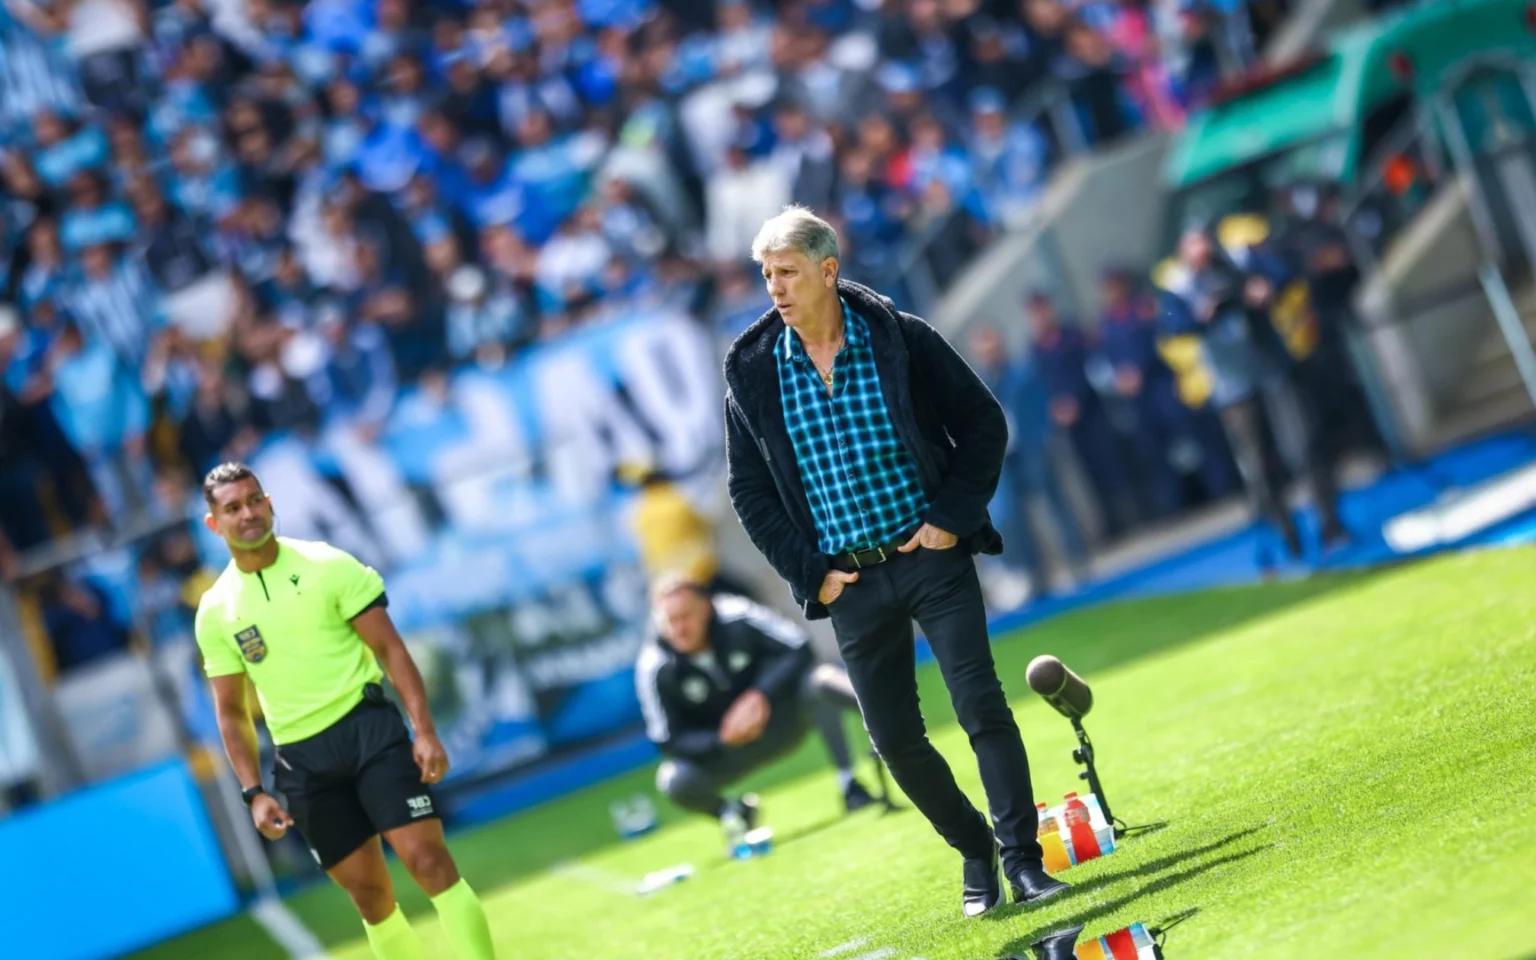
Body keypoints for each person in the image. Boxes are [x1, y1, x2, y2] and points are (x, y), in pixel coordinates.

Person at [722, 206, 1068, 917]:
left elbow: (982, 423)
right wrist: (809, 571)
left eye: (786, 272)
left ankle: (1023, 861)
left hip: (930, 560)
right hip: (847, 584)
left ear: (827, 270)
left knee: (981, 707)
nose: (774, 288)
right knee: (895, 744)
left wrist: (950, 519)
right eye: (765, 275)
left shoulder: (902, 339)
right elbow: (748, 490)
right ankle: (976, 850)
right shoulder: (753, 371)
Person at [193, 462, 497, 960]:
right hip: (302, 760)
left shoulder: (327, 564)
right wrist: (253, 793)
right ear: (214, 524)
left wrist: (423, 730)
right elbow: (229, 712)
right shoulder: (215, 611)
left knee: (428, 861)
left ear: (269, 503)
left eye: (253, 501)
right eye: (232, 508)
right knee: (371, 899)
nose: (247, 513)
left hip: (369, 731)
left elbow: (393, 651)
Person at [638, 577, 877, 823]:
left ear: (707, 608)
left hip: (784, 721)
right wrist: (720, 739)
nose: (679, 628)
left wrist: (760, 694)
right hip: (728, 754)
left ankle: (862, 770)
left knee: (822, 680)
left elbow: (799, 647)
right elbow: (666, 738)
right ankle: (736, 814)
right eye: (670, 620)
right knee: (674, 780)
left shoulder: (738, 614)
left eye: (686, 615)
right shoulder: (654, 665)